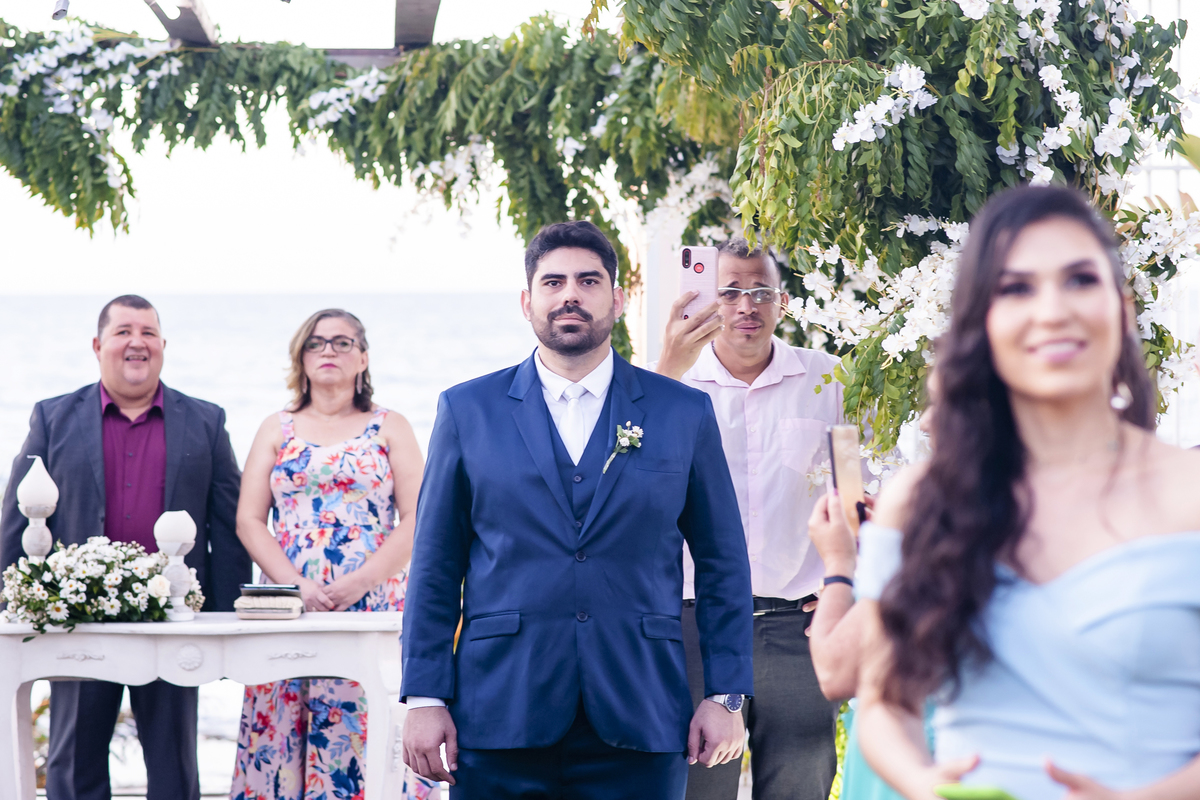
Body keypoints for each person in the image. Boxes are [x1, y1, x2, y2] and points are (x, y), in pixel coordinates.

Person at [853, 185, 1200, 799]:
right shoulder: (921, 502)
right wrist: (924, 783)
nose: (1052, 311)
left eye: (1079, 281)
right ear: (980, 322)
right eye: (1016, 289)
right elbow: (884, 704)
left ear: (1121, 307)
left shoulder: (1189, 494)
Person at [399, 220, 754, 799]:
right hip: (499, 712)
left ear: (616, 299)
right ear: (527, 301)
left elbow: (722, 562)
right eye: (553, 282)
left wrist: (726, 694)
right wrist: (425, 695)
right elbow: (437, 562)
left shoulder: (681, 412)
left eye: (588, 281)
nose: (570, 294)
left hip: (640, 710)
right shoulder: (468, 410)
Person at [0, 294, 250, 800]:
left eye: (148, 332)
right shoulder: (53, 418)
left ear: (162, 345)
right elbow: (18, 515)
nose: (137, 342)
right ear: (98, 346)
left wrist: (226, 624)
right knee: (73, 763)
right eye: (123, 332)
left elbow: (227, 523)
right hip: (80, 617)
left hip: (176, 616)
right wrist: (10, 605)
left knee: (175, 765)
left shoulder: (205, 420)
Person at [653, 238, 842, 800]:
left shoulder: (828, 380)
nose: (746, 306)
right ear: (707, 301)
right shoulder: (667, 384)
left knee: (801, 787)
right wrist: (665, 369)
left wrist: (849, 585)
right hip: (695, 626)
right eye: (730, 292)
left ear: (781, 302)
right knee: (694, 788)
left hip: (796, 630)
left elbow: (866, 491)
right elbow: (629, 489)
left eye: (760, 292)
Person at [229, 308, 436, 800]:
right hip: (288, 608)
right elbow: (249, 520)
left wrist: (360, 581)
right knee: (281, 725)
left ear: (363, 358)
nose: (329, 351)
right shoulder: (276, 428)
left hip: (374, 601)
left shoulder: (390, 426)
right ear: (300, 358)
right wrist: (295, 586)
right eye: (317, 343)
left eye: (343, 343)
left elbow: (419, 519)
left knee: (364, 727)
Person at [805, 367, 938, 800]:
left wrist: (840, 562)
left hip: (917, 758)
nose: (925, 421)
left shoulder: (939, 510)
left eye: (947, 403)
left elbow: (834, 668)